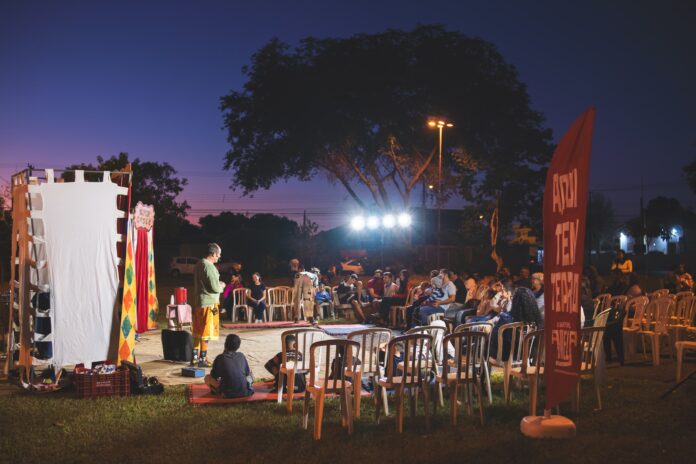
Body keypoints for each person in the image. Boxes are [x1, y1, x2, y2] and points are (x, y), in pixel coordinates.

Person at [192, 243, 226, 367]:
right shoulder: (209, 266)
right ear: (214, 253)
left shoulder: (199, 264)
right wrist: (222, 285)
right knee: (206, 332)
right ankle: (203, 358)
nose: (219, 257)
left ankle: (194, 357)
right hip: (209, 303)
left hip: (199, 302)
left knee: (198, 331)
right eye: (219, 254)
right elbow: (215, 287)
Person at [204, 334, 254, 398]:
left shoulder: (220, 357)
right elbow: (247, 373)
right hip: (245, 392)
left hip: (227, 394)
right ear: (238, 346)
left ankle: (215, 390)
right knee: (250, 374)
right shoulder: (241, 355)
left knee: (207, 378)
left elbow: (214, 376)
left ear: (225, 344)